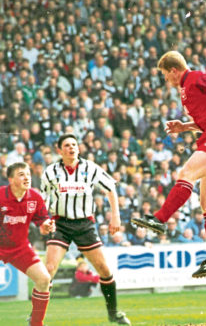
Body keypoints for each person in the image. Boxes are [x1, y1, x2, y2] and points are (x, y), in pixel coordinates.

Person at [132, 51, 206, 278]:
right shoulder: (185, 88)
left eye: (165, 75)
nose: (166, 80)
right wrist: (185, 126)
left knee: (186, 173)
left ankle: (160, 219)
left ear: (174, 71)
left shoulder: (193, 78)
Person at [41, 134, 131, 325]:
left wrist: (116, 216)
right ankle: (36, 318)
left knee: (104, 269)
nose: (71, 148)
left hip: (85, 224)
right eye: (67, 145)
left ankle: (113, 313)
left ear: (79, 148)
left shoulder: (90, 168)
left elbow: (110, 189)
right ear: (59, 150)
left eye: (74, 144)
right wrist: (43, 221)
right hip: (60, 223)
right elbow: (43, 200)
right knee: (47, 270)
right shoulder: (50, 172)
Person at [0, 162, 55, 326]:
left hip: (18, 247)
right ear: (10, 179)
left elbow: (42, 220)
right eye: (21, 174)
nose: (27, 177)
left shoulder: (35, 197)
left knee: (44, 279)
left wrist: (46, 225)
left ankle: (36, 323)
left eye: (28, 174)